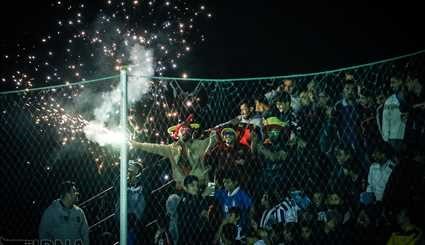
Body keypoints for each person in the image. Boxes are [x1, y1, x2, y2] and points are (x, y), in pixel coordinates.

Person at [130, 114, 217, 190]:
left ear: (190, 132)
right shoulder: (171, 148)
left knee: (210, 197)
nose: (185, 131)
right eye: (182, 130)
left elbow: (213, 139)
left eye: (187, 129)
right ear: (177, 134)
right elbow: (154, 147)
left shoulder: (198, 144)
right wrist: (138, 145)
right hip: (183, 186)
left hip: (201, 183)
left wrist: (213, 132)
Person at [39, 180, 89, 245]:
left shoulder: (79, 212)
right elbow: (44, 234)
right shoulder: (51, 212)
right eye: (74, 191)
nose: (77, 194)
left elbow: (85, 234)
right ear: (67, 194)